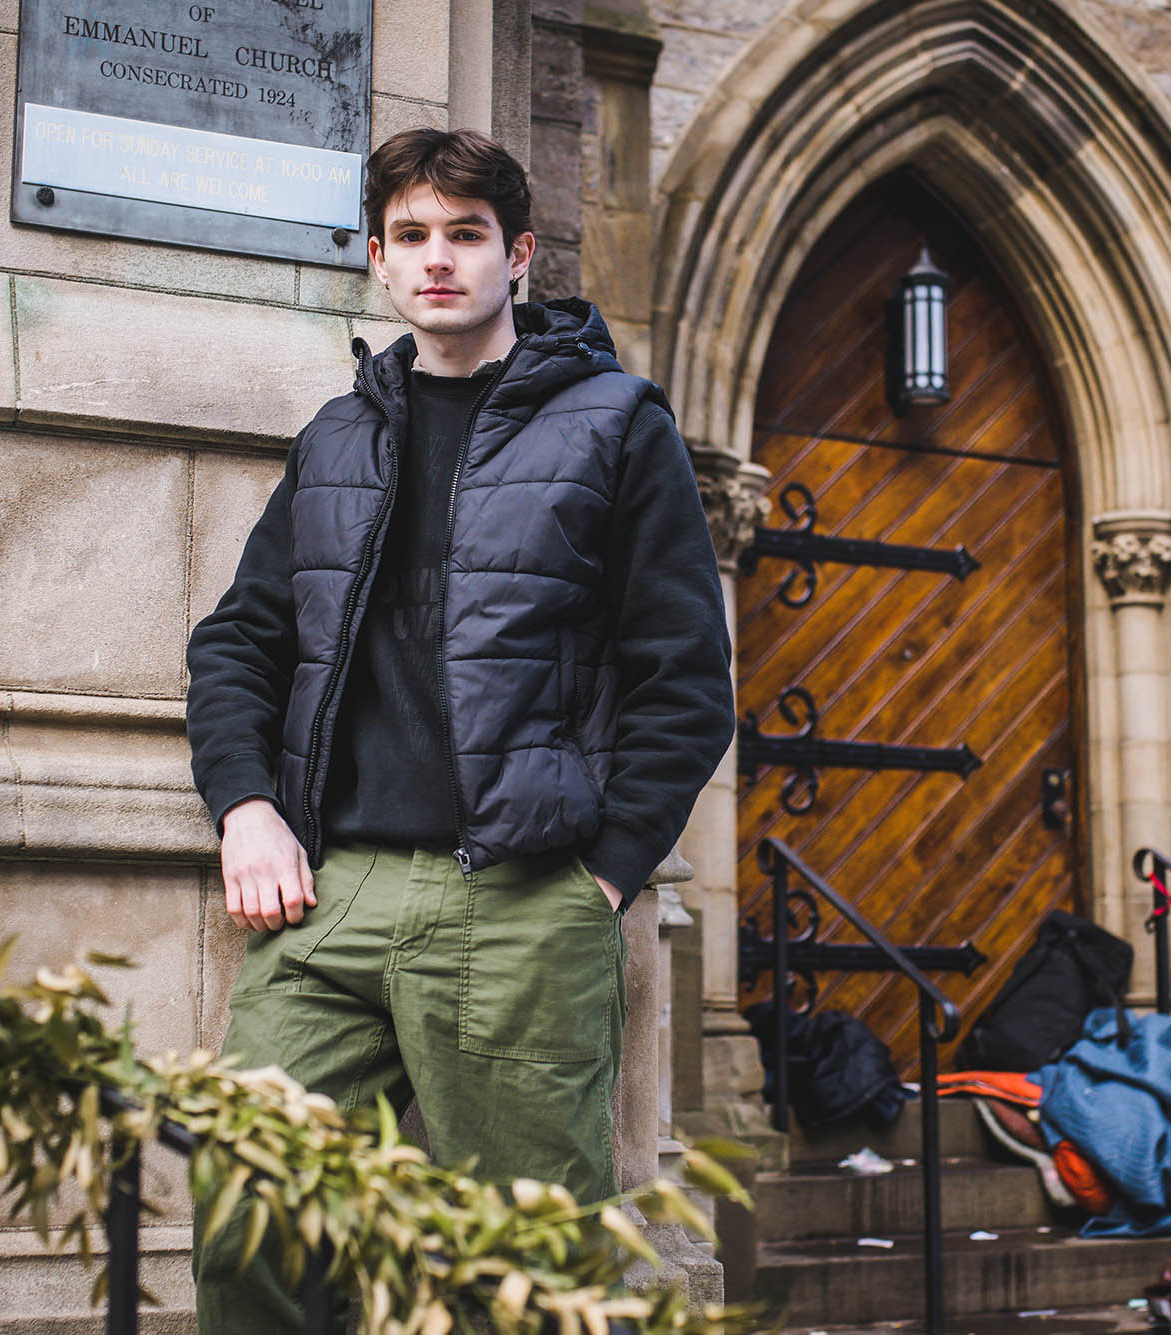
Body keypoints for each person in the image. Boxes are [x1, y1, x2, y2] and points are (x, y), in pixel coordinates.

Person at [183, 126, 734, 1331]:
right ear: (378, 261)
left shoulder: (612, 424)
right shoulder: (340, 435)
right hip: (330, 896)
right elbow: (238, 644)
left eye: (466, 235)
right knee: (246, 1216)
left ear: (517, 254)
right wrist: (247, 807)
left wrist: (602, 875)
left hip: (521, 900)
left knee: (517, 1275)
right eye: (413, 238)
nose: (439, 261)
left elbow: (684, 676)